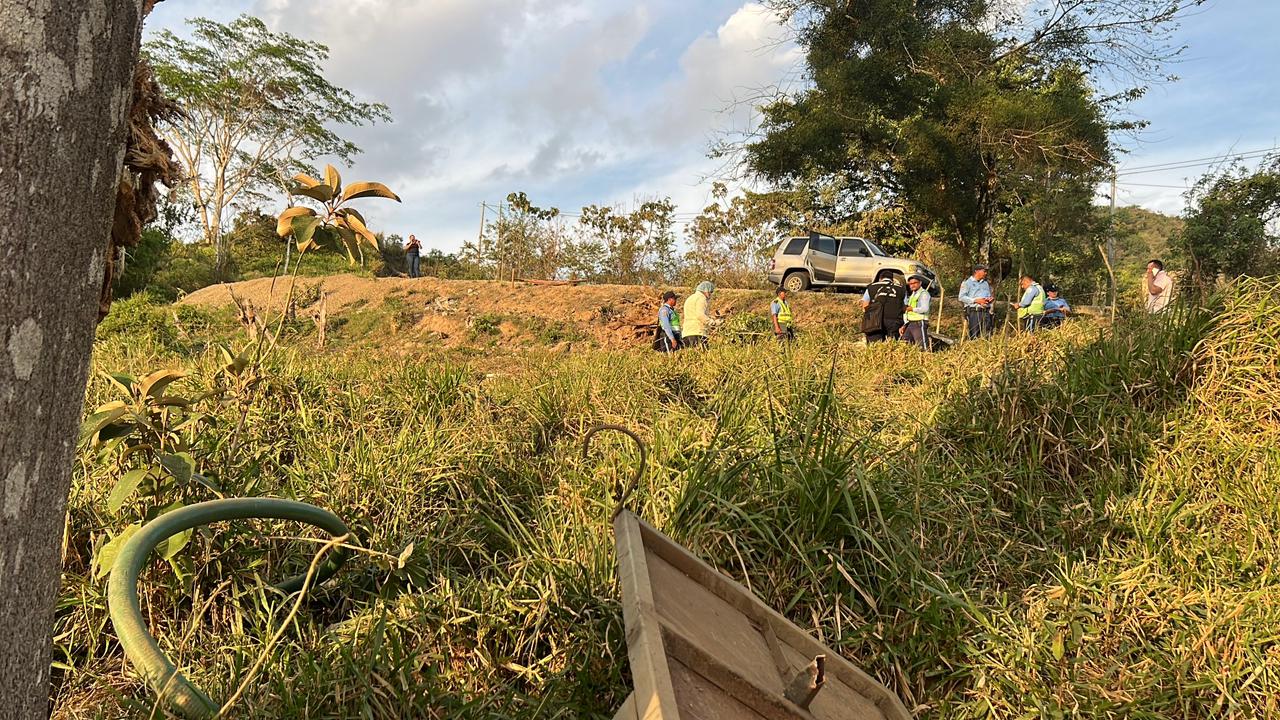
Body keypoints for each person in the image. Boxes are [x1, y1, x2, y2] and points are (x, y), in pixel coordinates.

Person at [860, 274, 907, 343]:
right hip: (894, 321)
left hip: (874, 321)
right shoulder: (902, 289)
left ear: (880, 279)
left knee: (874, 345)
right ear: (892, 279)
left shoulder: (871, 287)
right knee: (891, 344)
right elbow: (904, 307)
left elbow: (865, 305)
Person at [958, 264, 994, 339]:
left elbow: (988, 295)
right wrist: (975, 300)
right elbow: (961, 297)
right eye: (984, 271)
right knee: (974, 336)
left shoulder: (985, 283)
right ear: (977, 271)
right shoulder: (967, 283)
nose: (985, 273)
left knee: (987, 336)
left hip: (986, 312)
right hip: (974, 312)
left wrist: (989, 299)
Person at [899, 274, 932, 350]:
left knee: (922, 347)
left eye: (915, 283)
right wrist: (904, 325)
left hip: (919, 322)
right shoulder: (913, 295)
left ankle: (926, 357)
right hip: (910, 323)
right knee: (904, 345)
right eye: (910, 284)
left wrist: (912, 309)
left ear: (920, 283)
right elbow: (908, 312)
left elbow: (925, 308)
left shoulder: (924, 294)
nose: (912, 285)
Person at [681, 281, 716, 348]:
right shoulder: (702, 298)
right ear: (706, 290)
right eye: (711, 292)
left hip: (686, 333)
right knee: (703, 353)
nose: (711, 294)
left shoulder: (690, 298)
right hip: (697, 332)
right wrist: (712, 322)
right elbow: (700, 315)